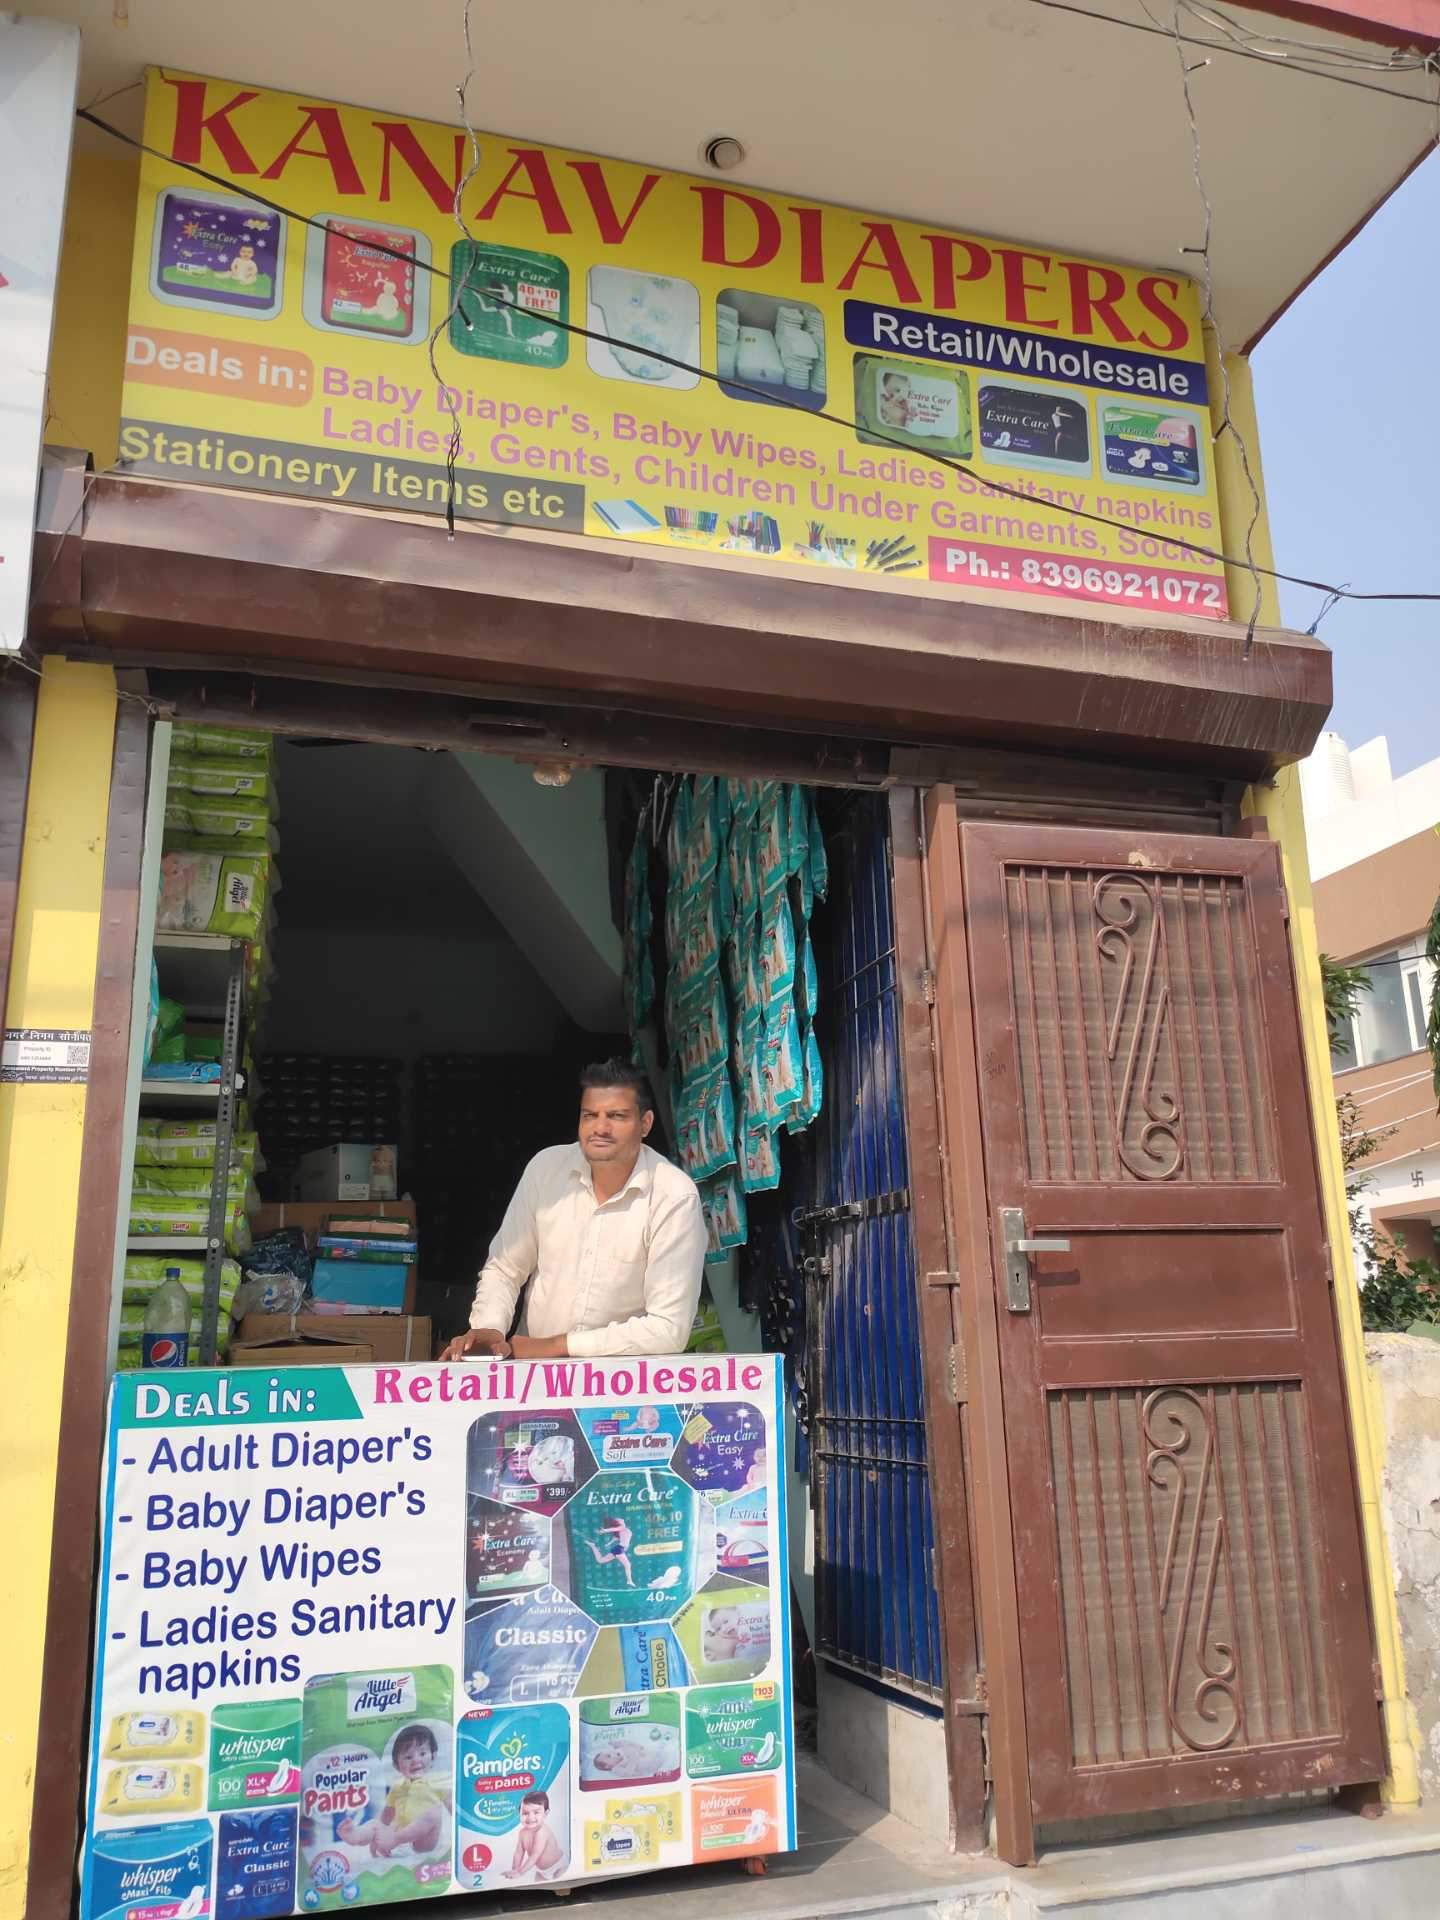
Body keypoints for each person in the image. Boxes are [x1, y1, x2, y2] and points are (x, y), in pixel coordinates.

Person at [441, 1060, 706, 1361]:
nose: (600, 1128)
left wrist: (557, 1346)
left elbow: (668, 1328)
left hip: (626, 1380)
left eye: (617, 1116)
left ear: (645, 1124)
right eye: (590, 1115)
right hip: (534, 1376)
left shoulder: (674, 1196)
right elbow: (505, 1267)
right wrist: (489, 1329)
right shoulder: (546, 1169)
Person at [338, 1724, 449, 1858]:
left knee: (434, 1813)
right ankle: (355, 1834)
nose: (416, 1760)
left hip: (424, 1842)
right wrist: (378, 1834)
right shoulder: (397, 1787)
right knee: (375, 1823)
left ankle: (395, 1839)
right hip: (400, 1841)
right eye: (408, 1757)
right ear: (397, 1765)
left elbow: (452, 1805)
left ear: (433, 1756)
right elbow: (387, 1815)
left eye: (422, 1753)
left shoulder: (437, 1781)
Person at [504, 1789, 564, 1881]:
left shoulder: (542, 1831)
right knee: (538, 1884)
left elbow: (535, 1855)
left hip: (558, 1866)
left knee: (560, 1880)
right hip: (541, 1871)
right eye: (525, 1813)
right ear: (519, 1813)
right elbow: (518, 1853)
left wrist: (520, 1872)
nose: (531, 1817)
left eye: (536, 1812)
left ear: (546, 1813)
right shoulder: (522, 1833)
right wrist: (514, 1870)